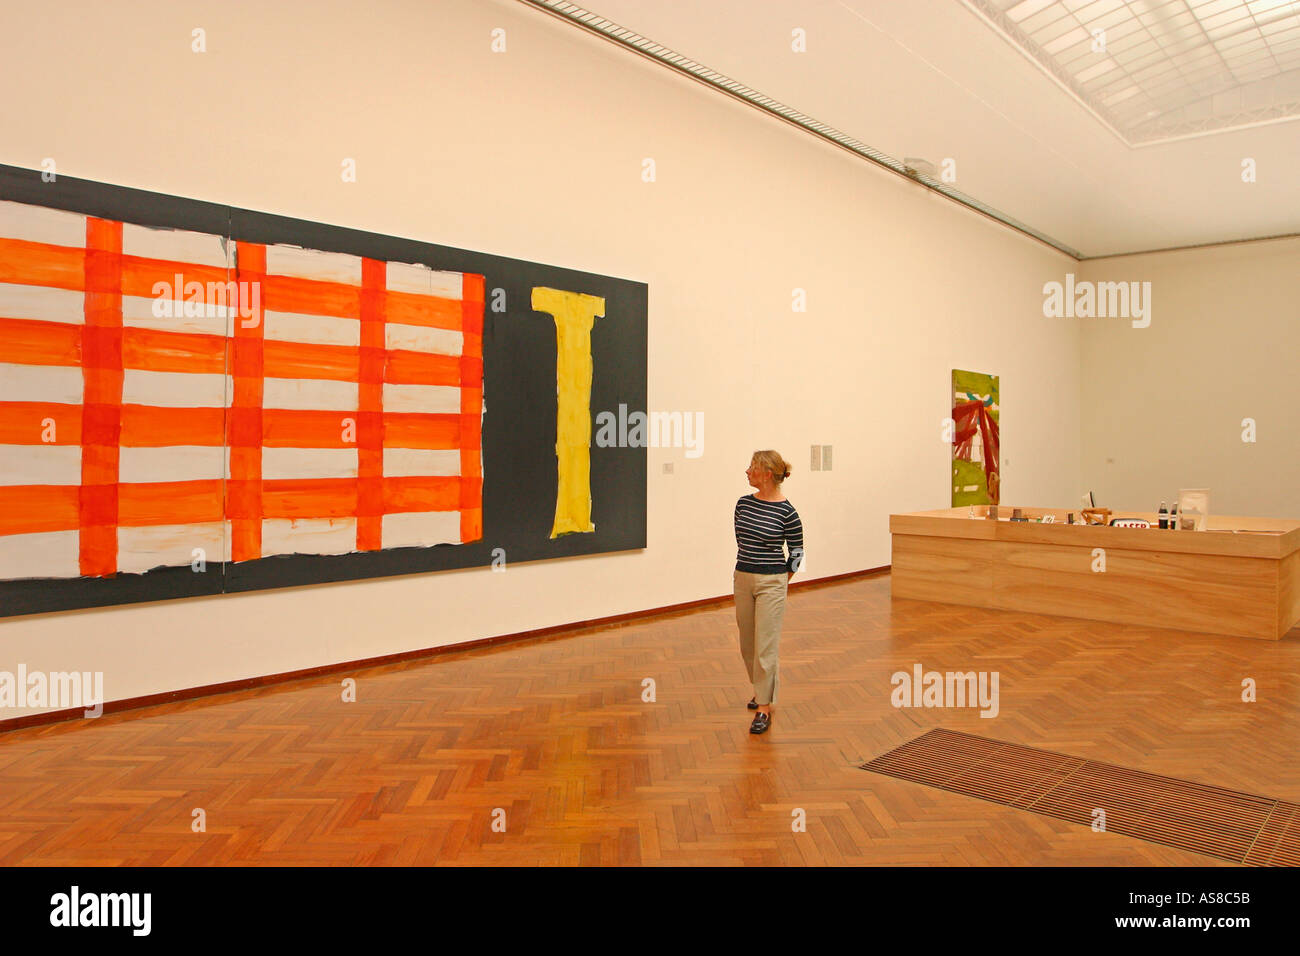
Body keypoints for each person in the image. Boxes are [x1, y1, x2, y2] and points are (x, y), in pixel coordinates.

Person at [733, 450, 804, 734]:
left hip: (772, 582)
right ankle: (761, 690)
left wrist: (780, 580)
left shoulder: (788, 513)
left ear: (765, 473)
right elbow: (742, 541)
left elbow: (797, 554)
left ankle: (764, 707)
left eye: (751, 467)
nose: (747, 471)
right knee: (747, 644)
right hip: (742, 578)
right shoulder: (742, 505)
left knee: (765, 646)